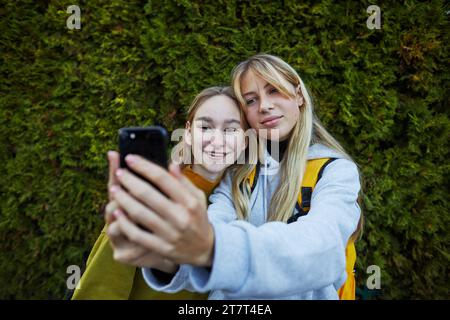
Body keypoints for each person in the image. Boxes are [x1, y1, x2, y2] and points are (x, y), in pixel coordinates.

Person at [105, 54, 363, 300]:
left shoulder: (334, 170)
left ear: (298, 95)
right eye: (251, 100)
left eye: (274, 90)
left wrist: (211, 247)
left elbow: (323, 250)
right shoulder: (239, 175)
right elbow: (209, 236)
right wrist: (165, 258)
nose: (264, 106)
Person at [71, 86, 247, 299]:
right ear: (188, 133)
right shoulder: (149, 197)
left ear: (245, 140)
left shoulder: (246, 208)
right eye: (206, 127)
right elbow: (101, 288)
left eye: (230, 130)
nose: (218, 140)